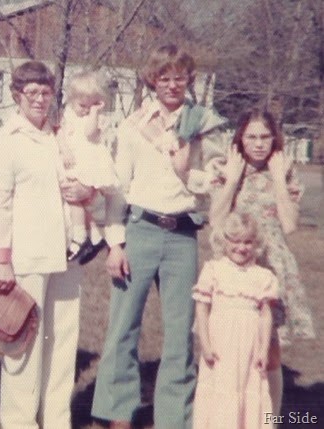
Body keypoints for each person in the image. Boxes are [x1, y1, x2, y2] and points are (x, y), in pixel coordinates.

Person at [91, 44, 228, 429]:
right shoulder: (134, 125)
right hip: (140, 231)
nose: (172, 85)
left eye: (179, 78)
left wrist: (188, 171)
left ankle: (174, 417)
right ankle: (118, 411)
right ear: (152, 80)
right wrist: (115, 244)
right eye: (164, 78)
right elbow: (118, 187)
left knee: (181, 331)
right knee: (123, 326)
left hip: (182, 235)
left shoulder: (204, 123)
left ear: (189, 80)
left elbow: (214, 183)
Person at [0, 60, 91, 429]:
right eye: (32, 92)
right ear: (16, 95)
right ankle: (19, 422)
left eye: (46, 92)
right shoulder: (4, 142)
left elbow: (83, 180)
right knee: (23, 345)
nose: (40, 99)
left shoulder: (61, 137)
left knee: (62, 344)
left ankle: (56, 420)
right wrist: (2, 260)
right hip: (26, 257)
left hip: (67, 256)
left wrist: (85, 191)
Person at [209, 108, 316, 416]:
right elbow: (216, 220)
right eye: (251, 137)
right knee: (230, 347)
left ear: (274, 138)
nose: (258, 144)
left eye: (265, 137)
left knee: (269, 351)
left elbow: (290, 223)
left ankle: (269, 418)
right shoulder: (226, 167)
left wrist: (280, 179)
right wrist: (231, 180)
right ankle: (230, 417)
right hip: (234, 266)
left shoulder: (284, 169)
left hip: (271, 266)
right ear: (240, 138)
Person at [193, 212, 279, 429]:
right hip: (221, 344)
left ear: (256, 244)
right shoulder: (214, 269)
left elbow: (265, 315)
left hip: (250, 346)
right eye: (236, 241)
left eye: (248, 242)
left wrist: (263, 350)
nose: (242, 248)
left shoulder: (263, 276)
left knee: (249, 389)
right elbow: (202, 309)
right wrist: (205, 343)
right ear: (225, 241)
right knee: (221, 390)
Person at [57, 70, 119, 264]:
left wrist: (94, 112)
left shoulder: (97, 118)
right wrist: (64, 148)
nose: (85, 109)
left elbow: (90, 133)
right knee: (77, 200)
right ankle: (95, 236)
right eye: (81, 105)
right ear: (72, 100)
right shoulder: (68, 114)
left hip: (88, 162)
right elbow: (60, 132)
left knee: (77, 198)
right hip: (73, 159)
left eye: (91, 105)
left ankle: (79, 236)